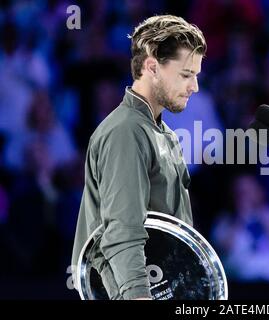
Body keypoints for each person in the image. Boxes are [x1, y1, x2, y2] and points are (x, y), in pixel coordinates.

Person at [71, 15, 206, 300]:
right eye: (185, 74)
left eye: (196, 75)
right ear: (151, 66)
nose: (194, 86)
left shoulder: (162, 133)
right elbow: (123, 230)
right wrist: (138, 295)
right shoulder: (126, 132)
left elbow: (176, 236)